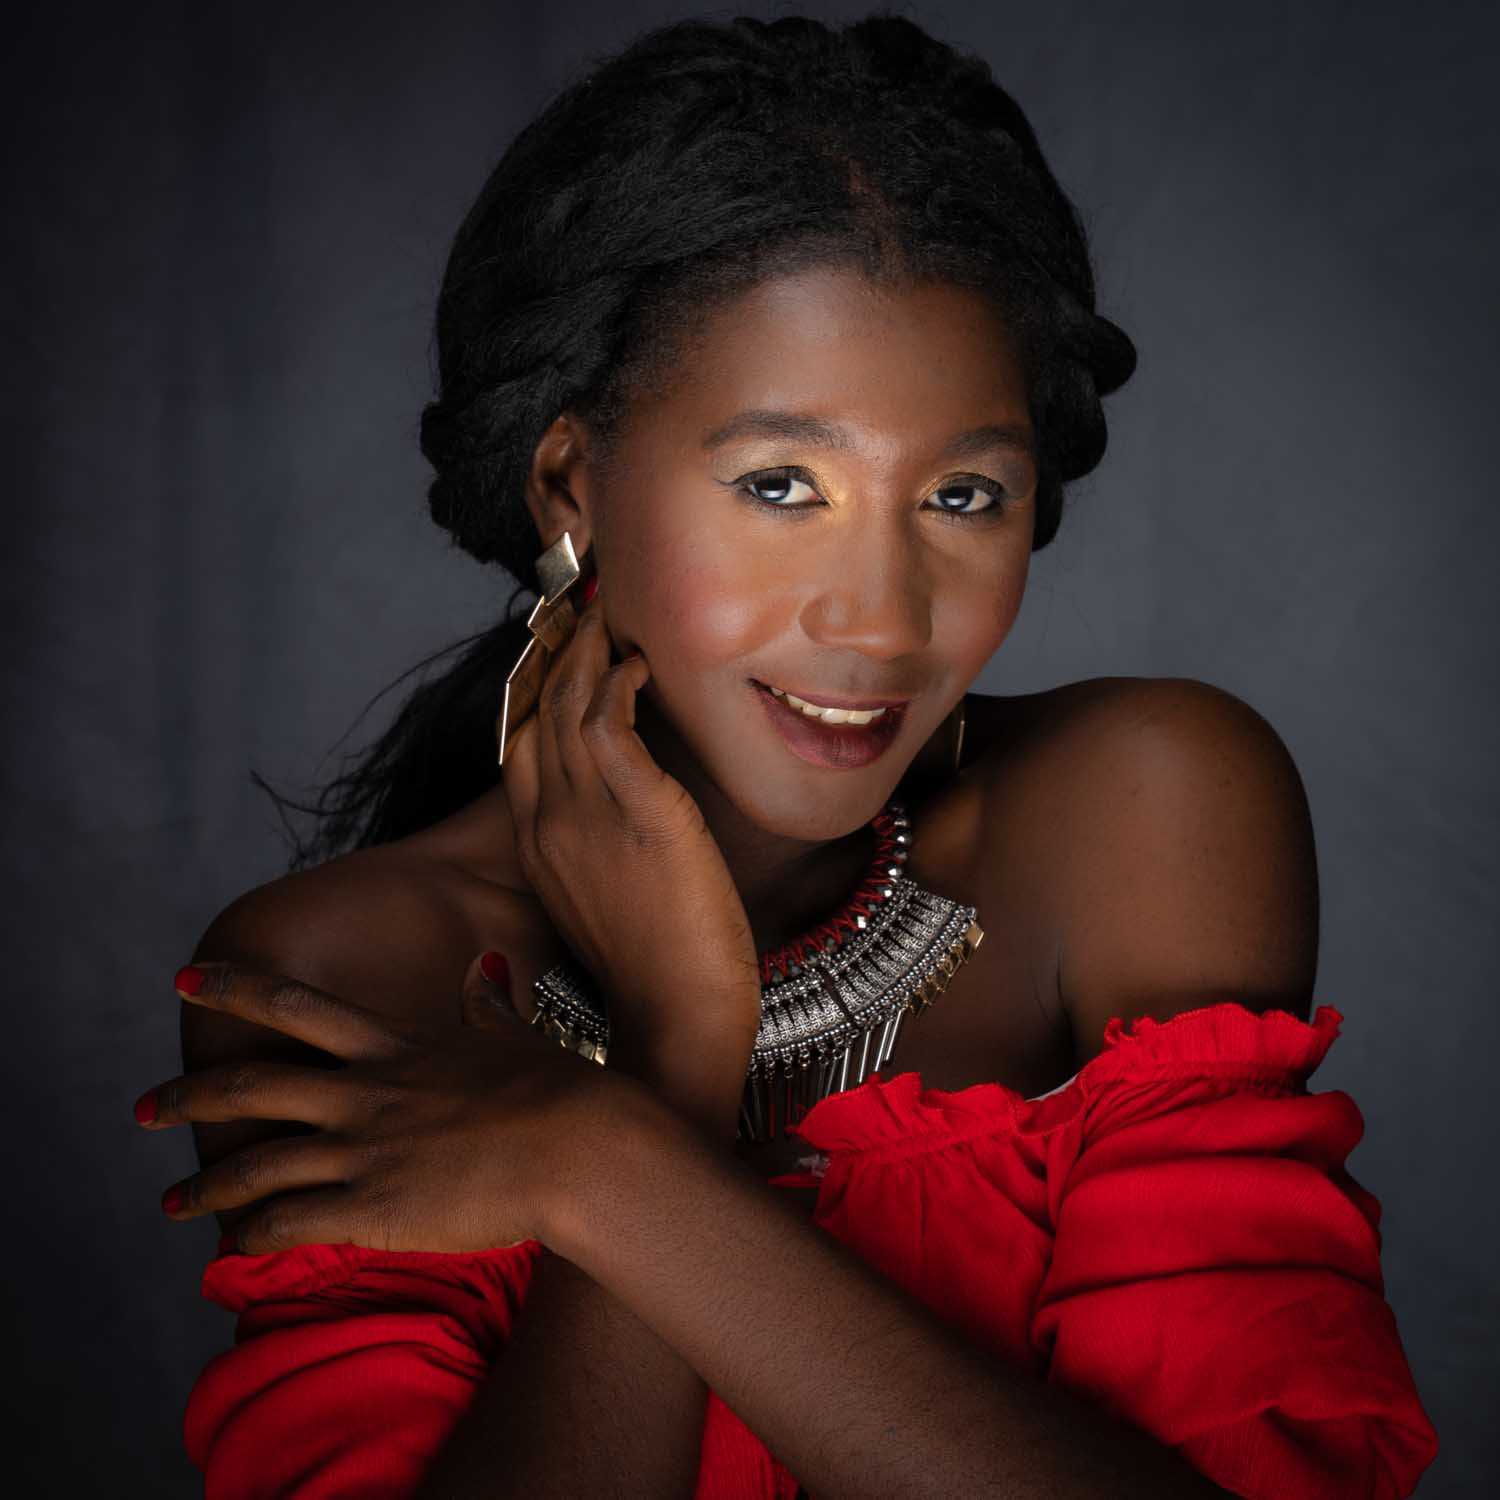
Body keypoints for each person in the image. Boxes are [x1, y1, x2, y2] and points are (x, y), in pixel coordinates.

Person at [132, 13, 1438, 1498]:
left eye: (963, 496)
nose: (882, 620)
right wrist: (679, 1046)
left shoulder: (1144, 816)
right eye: (779, 484)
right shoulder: (347, 976)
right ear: (567, 484)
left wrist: (609, 1164)